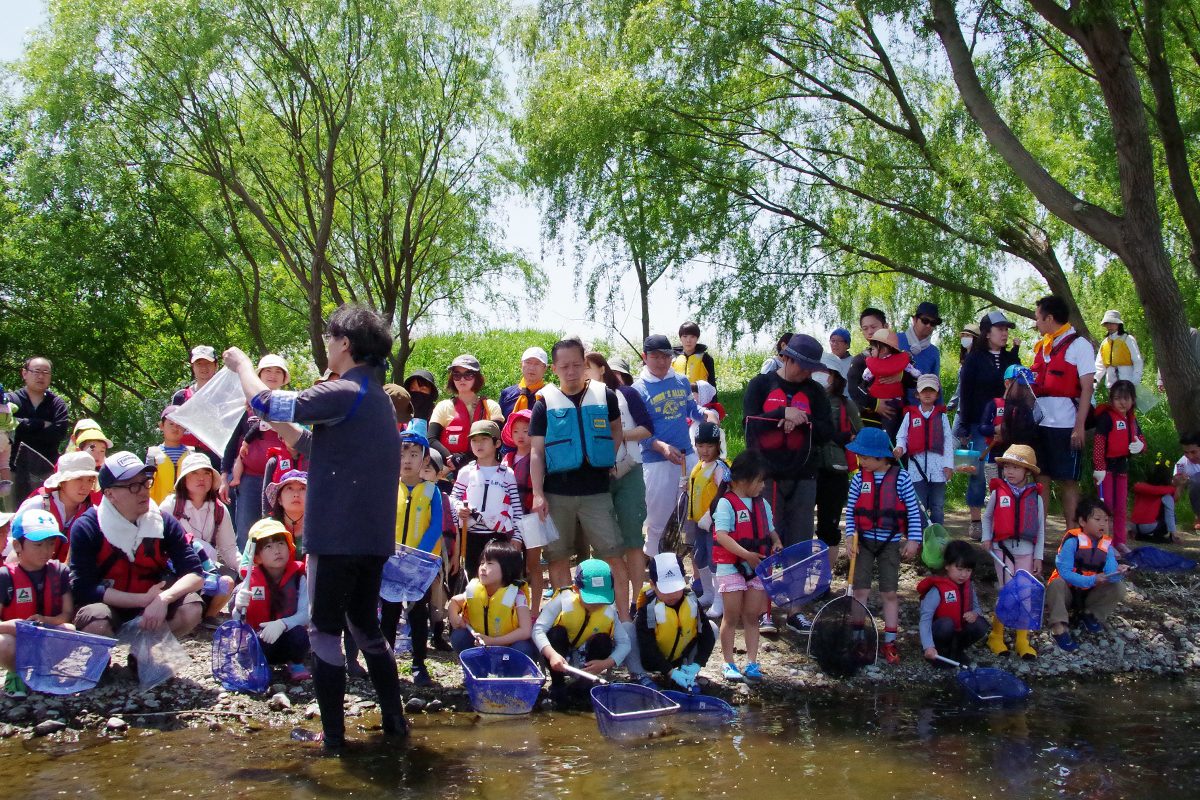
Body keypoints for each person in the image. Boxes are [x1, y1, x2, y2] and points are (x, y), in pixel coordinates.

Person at [224, 303, 407, 747]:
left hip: (335, 538)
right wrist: (279, 426)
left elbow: (265, 399)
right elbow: (310, 443)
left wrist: (243, 365)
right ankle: (396, 725)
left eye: (329, 338)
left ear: (345, 344)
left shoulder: (344, 391)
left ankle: (334, 741)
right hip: (372, 539)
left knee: (324, 631)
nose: (326, 345)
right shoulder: (377, 399)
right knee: (365, 626)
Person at [529, 340, 631, 619]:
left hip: (596, 492)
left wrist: (609, 458)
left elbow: (616, 430)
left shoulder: (605, 396)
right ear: (554, 369)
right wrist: (538, 493)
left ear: (585, 364)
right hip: (556, 493)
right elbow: (536, 452)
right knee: (557, 557)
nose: (571, 371)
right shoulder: (544, 403)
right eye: (564, 366)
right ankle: (568, 620)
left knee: (613, 555)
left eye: (577, 364)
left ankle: (623, 620)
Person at [741, 333, 832, 634]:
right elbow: (749, 424)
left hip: (804, 474)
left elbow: (826, 431)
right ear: (786, 358)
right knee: (769, 541)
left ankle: (795, 610)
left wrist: (803, 418)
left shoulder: (816, 392)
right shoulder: (761, 384)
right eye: (802, 365)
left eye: (811, 367)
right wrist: (781, 413)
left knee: (800, 544)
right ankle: (765, 610)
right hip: (767, 477)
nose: (806, 372)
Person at [70, 452, 205, 644]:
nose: (143, 491)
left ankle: (143, 654)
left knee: (192, 607)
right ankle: (102, 661)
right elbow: (84, 588)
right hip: (109, 607)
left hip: (154, 604)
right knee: (95, 620)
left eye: (145, 483)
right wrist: (142, 600)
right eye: (133, 486)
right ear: (110, 494)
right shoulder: (87, 526)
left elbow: (195, 575)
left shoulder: (164, 522)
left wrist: (163, 599)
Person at [844, 428, 923, 664]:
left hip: (890, 543)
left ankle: (890, 641)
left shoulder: (902, 478)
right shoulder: (859, 478)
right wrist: (849, 537)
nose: (861, 461)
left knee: (889, 592)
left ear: (881, 457)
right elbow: (851, 511)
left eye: (865, 457)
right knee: (860, 591)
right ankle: (858, 637)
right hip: (863, 543)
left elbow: (913, 512)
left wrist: (913, 540)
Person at [635, 334, 717, 559]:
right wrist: (660, 446)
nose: (661, 361)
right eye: (655, 356)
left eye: (666, 356)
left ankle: (696, 572)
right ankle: (655, 571)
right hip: (656, 462)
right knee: (657, 520)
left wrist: (707, 413)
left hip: (688, 456)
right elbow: (636, 433)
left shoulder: (681, 381)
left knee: (694, 514)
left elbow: (691, 409)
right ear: (645, 357)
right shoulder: (637, 389)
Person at [586, 351, 653, 605]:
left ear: (602, 369)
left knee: (633, 538)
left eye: (587, 367)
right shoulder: (579, 399)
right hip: (596, 478)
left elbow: (648, 428)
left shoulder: (628, 394)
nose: (582, 373)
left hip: (629, 471)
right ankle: (604, 599)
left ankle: (637, 600)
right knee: (602, 543)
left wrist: (618, 434)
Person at [710, 450, 782, 682]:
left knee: (752, 616)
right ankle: (728, 663)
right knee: (731, 617)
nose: (763, 485)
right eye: (759, 480)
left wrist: (777, 542)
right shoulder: (725, 503)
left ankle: (752, 663)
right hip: (732, 566)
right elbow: (721, 535)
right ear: (742, 479)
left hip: (757, 567)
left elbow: (770, 529)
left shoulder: (762, 504)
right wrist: (745, 555)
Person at [388, 430, 450, 685]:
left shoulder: (431, 490)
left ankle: (418, 663)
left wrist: (418, 555)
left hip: (419, 563)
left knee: (418, 612)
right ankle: (387, 659)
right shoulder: (389, 487)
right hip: (390, 561)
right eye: (402, 454)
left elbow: (437, 525)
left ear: (425, 460)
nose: (407, 460)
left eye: (414, 455)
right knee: (389, 612)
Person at [1030, 295, 1096, 529]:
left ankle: (1071, 534)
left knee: (1068, 481)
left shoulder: (1079, 345)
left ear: (1049, 318)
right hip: (1041, 425)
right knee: (1041, 479)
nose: (1035, 322)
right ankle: (1039, 537)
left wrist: (1079, 426)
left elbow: (1087, 388)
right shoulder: (1043, 346)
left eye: (1038, 317)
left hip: (1067, 424)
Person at [957, 311, 1023, 539]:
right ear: (987, 333)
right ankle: (976, 521)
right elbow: (965, 393)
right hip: (978, 424)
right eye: (1000, 329)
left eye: (1007, 329)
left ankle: (1004, 520)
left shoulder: (1010, 359)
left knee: (1009, 471)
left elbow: (1020, 390)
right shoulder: (973, 359)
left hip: (1007, 425)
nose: (1005, 334)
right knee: (979, 473)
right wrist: (964, 426)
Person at [533, 559, 632, 709]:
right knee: (556, 633)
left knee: (604, 640)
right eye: (591, 599)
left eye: (601, 599)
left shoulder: (609, 611)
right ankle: (558, 685)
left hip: (587, 659)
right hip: (560, 654)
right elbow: (538, 630)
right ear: (576, 589)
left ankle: (584, 685)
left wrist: (606, 663)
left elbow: (624, 643)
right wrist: (552, 654)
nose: (596, 605)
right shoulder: (563, 600)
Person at [0, 509, 74, 698]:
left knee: (70, 630)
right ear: (17, 545)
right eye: (38, 544)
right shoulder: (4, 576)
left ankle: (44, 672)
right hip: (16, 638)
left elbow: (67, 614)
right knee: (2, 643)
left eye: (50, 543)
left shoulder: (60, 571)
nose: (46, 550)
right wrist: (15, 626)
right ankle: (15, 674)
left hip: (46, 633)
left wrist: (45, 620)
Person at [981, 445, 1045, 659]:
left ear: (1027, 472)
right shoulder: (998, 492)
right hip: (1002, 550)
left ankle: (1022, 641)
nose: (1010, 471)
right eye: (1007, 466)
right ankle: (996, 636)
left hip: (1026, 552)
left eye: (1015, 467)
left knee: (1024, 595)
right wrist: (986, 538)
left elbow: (1041, 529)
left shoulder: (1036, 497)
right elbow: (987, 517)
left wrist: (1038, 556)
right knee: (1007, 592)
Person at [161, 452, 239, 625]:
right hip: (176, 568)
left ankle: (206, 617)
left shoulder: (219, 510)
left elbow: (228, 549)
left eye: (206, 473)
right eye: (194, 473)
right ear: (183, 479)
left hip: (208, 569)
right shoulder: (169, 506)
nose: (201, 478)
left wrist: (246, 568)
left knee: (228, 580)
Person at [221, 355, 290, 547]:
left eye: (278, 372)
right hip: (249, 479)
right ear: (258, 375)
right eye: (268, 371)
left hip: (282, 478)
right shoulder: (245, 407)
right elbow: (231, 443)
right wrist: (223, 476)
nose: (273, 375)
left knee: (278, 530)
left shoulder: (291, 404)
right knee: (246, 530)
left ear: (284, 378)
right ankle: (246, 574)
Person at [1046, 498, 1129, 652]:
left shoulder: (1107, 546)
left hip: (1089, 594)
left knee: (1119, 587)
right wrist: (1092, 579)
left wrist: (1120, 571)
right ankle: (1058, 627)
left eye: (1106, 520)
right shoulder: (1072, 542)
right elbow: (1065, 573)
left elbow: (1111, 572)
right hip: (1067, 593)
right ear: (1082, 522)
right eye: (1097, 519)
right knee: (1056, 583)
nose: (1103, 524)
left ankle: (1089, 614)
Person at [232, 520, 311, 681]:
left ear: (290, 549)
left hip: (288, 639)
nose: (277, 551)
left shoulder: (298, 579)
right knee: (256, 640)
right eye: (268, 546)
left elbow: (306, 614)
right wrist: (239, 607)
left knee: (301, 634)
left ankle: (295, 663)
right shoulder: (248, 583)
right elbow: (238, 621)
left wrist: (281, 624)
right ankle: (259, 665)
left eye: (281, 544)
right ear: (257, 557)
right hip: (260, 643)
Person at [625, 552, 715, 691]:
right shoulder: (648, 609)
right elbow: (648, 647)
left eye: (675, 587)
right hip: (650, 661)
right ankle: (639, 676)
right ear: (653, 585)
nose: (672, 594)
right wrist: (670, 672)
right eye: (666, 589)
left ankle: (688, 673)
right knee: (627, 628)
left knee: (713, 627)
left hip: (680, 659)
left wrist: (697, 664)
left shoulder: (692, 603)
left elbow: (707, 636)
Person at [452, 420, 523, 575]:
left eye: (484, 439)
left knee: (496, 578)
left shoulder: (507, 473)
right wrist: (459, 509)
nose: (479, 444)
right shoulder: (466, 471)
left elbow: (516, 508)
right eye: (474, 441)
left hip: (497, 537)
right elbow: (453, 499)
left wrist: (517, 537)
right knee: (471, 578)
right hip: (469, 536)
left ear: (497, 443)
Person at [447, 539, 537, 660]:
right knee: (459, 636)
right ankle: (477, 670)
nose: (483, 568)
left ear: (507, 569)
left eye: (489, 563)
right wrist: (454, 618)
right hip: (480, 647)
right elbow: (454, 602)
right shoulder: (474, 591)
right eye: (482, 563)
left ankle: (510, 676)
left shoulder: (517, 595)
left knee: (523, 648)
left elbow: (526, 631)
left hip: (506, 651)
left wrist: (493, 641)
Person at [814, 353, 861, 575]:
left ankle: (824, 579)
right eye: (817, 370)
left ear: (835, 376)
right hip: (807, 470)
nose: (820, 375)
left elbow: (861, 436)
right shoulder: (805, 399)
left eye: (825, 372)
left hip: (835, 473)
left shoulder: (846, 404)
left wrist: (846, 439)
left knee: (829, 528)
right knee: (801, 528)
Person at [1092, 380, 1145, 555]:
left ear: (1133, 399)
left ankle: (1120, 541)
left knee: (1121, 507)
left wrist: (1140, 446)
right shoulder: (1106, 418)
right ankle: (1105, 542)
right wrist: (1099, 467)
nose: (1122, 402)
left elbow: (1141, 440)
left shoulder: (1132, 419)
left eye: (1126, 398)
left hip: (1122, 466)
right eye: (1117, 398)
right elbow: (1099, 444)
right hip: (1105, 468)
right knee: (1105, 506)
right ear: (1111, 400)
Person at [501, 410, 547, 613]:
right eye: (516, 430)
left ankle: (535, 610)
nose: (521, 435)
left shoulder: (540, 458)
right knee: (510, 564)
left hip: (533, 517)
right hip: (510, 519)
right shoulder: (506, 458)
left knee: (533, 565)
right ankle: (511, 610)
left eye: (527, 431)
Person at [893, 375, 954, 527]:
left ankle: (937, 538)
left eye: (931, 391)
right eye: (923, 391)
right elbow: (902, 436)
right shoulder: (909, 416)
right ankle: (920, 539)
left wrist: (949, 465)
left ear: (937, 394)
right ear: (917, 394)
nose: (927, 394)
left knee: (938, 506)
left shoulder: (943, 417)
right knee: (918, 507)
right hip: (916, 468)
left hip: (939, 468)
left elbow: (947, 443)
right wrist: (900, 447)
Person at [16, 451, 98, 562]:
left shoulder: (93, 513)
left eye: (90, 480)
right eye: (78, 479)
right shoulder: (37, 505)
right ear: (62, 482)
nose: (85, 487)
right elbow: (12, 543)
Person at [918, 540, 989, 664]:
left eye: (968, 570)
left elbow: (977, 608)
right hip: (940, 631)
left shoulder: (969, 587)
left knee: (981, 624)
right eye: (959, 569)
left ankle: (956, 651)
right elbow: (925, 620)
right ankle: (938, 651)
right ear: (947, 565)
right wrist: (928, 645)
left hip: (959, 632)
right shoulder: (937, 590)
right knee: (946, 623)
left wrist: (975, 614)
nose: (964, 575)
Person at [684, 421, 729, 614]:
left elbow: (724, 493)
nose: (704, 450)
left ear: (718, 445)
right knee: (700, 556)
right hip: (697, 523)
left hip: (713, 524)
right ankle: (708, 594)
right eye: (700, 445)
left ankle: (720, 601)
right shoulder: (700, 465)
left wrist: (710, 517)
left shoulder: (720, 467)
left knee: (714, 560)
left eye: (710, 445)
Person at [429, 355, 504, 466]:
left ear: (477, 378)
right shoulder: (443, 406)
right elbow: (431, 439)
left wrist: (465, 458)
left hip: (484, 469)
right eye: (457, 375)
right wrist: (453, 460)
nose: (462, 379)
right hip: (449, 470)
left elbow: (498, 440)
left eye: (468, 375)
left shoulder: (491, 406)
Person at [8, 357, 70, 467]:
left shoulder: (57, 404)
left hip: (47, 470)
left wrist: (21, 431)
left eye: (46, 373)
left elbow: (58, 434)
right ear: (24, 373)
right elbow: (5, 425)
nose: (41, 376)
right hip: (12, 468)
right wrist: (40, 424)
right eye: (36, 371)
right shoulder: (11, 401)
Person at [172, 345, 224, 470]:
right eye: (199, 363)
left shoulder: (226, 395)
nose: (204, 367)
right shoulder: (180, 397)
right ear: (193, 366)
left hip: (219, 456)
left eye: (208, 363)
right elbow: (172, 430)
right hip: (188, 455)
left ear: (216, 365)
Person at [848, 309, 895, 431]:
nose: (870, 332)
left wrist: (899, 377)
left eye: (873, 327)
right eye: (865, 328)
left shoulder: (899, 356)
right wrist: (875, 404)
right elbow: (853, 387)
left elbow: (915, 382)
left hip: (896, 419)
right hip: (867, 420)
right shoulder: (860, 359)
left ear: (885, 327)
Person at [895, 302, 943, 406]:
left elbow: (935, 382)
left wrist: (940, 411)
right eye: (925, 321)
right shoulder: (895, 340)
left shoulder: (933, 352)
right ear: (914, 320)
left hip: (918, 411)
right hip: (893, 406)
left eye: (933, 323)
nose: (929, 326)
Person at [147, 405, 192, 507]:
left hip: (186, 508)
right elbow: (147, 482)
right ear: (161, 426)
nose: (175, 428)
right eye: (171, 424)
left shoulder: (191, 453)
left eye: (179, 424)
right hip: (159, 507)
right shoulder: (152, 454)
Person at [1132, 456, 1178, 543]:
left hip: (1134, 525)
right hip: (1149, 526)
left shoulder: (1142, 490)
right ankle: (1158, 536)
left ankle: (1141, 536)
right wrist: (1174, 533)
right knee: (1171, 516)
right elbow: (1170, 515)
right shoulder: (1166, 494)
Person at [1094, 310, 1144, 390]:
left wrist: (1136, 377)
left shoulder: (1128, 339)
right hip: (1111, 384)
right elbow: (1099, 366)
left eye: (1112, 323)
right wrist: (1095, 381)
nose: (1109, 326)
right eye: (1107, 324)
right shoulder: (1105, 342)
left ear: (1118, 324)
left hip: (1128, 382)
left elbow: (1137, 360)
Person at [498, 347, 550, 419]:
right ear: (521, 365)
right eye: (528, 362)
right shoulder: (507, 393)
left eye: (537, 364)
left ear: (545, 368)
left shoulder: (549, 395)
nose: (532, 368)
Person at [672, 321, 717, 387]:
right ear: (680, 338)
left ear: (697, 338)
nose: (688, 340)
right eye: (685, 336)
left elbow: (712, 383)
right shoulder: (672, 358)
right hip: (678, 396)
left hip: (699, 396)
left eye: (692, 337)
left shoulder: (706, 359)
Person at [1172, 432, 1200, 531]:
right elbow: (1176, 497)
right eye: (1186, 452)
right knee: (1197, 480)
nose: (1190, 456)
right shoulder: (1182, 464)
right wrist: (1175, 484)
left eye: (1193, 452)